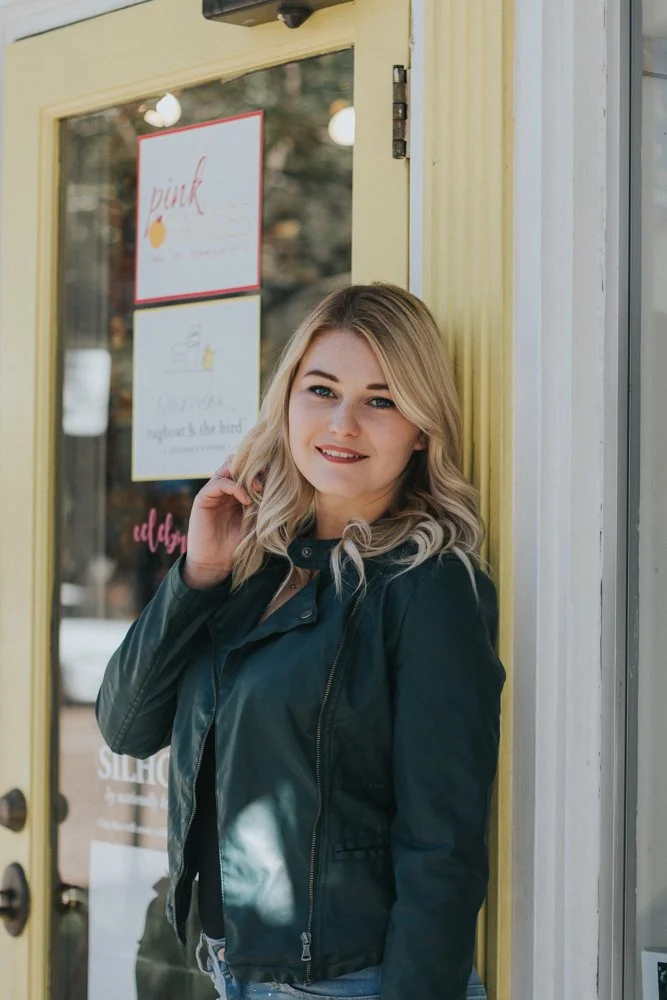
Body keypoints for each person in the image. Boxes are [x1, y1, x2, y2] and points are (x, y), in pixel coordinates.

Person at [97, 283, 505, 1000]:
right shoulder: (255, 563)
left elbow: (441, 846)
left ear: (421, 428)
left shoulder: (428, 586)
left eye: (381, 399)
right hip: (230, 969)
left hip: (352, 983)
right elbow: (127, 726)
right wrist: (198, 574)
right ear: (286, 402)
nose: (342, 422)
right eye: (321, 389)